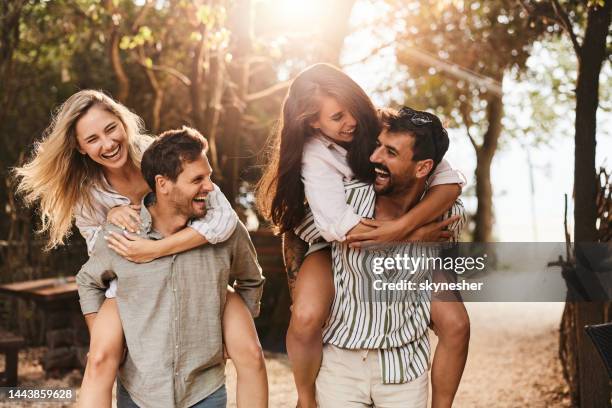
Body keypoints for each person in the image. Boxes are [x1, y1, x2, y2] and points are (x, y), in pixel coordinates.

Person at [14, 90, 268, 408]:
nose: (106, 144)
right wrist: (111, 220)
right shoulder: (87, 192)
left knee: (250, 352)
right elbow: (101, 259)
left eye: (110, 129)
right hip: (130, 279)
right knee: (101, 358)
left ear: (122, 121)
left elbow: (223, 219)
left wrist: (159, 250)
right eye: (92, 139)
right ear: (80, 147)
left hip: (191, 264)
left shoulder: (158, 153)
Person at [257, 64, 469, 408]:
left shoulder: (380, 126)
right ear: (314, 123)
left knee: (456, 323)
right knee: (308, 315)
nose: (350, 122)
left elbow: (449, 179)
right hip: (328, 240)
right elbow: (341, 228)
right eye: (336, 117)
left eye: (350, 108)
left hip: (395, 227)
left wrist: (404, 227)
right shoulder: (316, 154)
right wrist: (411, 236)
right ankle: (305, 398)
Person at [76, 126, 265, 408]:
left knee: (253, 354)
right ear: (163, 184)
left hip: (203, 391)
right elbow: (89, 281)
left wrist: (233, 328)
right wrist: (105, 336)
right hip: (141, 390)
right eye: (197, 179)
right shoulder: (122, 233)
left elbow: (251, 279)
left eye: (209, 176)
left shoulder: (227, 232)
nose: (210, 187)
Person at [299, 106, 465, 407]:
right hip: (341, 363)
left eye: (390, 152)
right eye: (378, 146)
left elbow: (446, 248)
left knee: (457, 325)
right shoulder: (345, 202)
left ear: (423, 168)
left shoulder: (446, 216)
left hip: (403, 368)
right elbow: (305, 233)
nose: (374, 158)